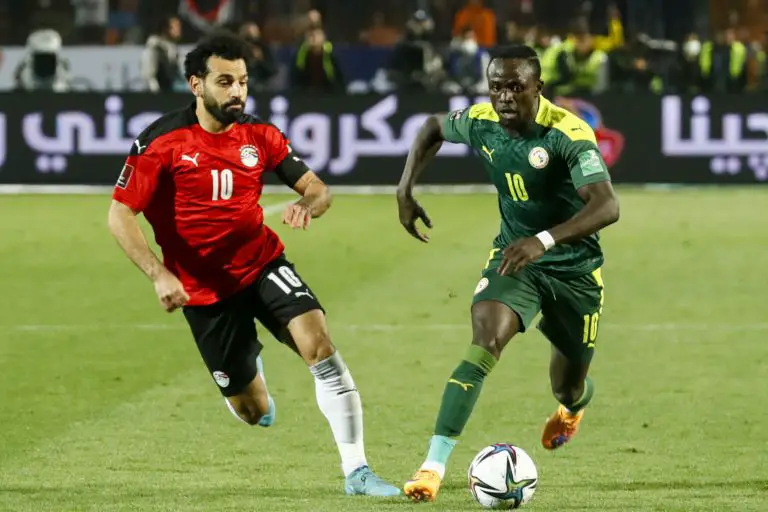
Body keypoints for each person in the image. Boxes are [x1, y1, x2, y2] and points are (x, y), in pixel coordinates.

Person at [108, 32, 400, 498]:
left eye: (243, 81)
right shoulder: (162, 141)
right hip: (201, 290)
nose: (238, 92)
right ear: (196, 85)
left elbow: (319, 188)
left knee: (319, 345)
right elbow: (119, 213)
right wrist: (159, 274)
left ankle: (357, 471)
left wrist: (308, 202)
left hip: (261, 264)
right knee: (253, 411)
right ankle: (249, 370)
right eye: (225, 81)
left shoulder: (260, 136)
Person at [396, 45, 620, 502]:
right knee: (485, 341)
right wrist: (404, 188)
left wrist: (544, 240)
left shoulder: (568, 134)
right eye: (496, 85)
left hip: (574, 271)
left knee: (568, 384)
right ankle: (431, 468)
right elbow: (432, 126)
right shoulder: (481, 122)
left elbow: (607, 205)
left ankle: (574, 406)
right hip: (515, 259)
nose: (504, 96)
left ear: (539, 88)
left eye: (516, 87)